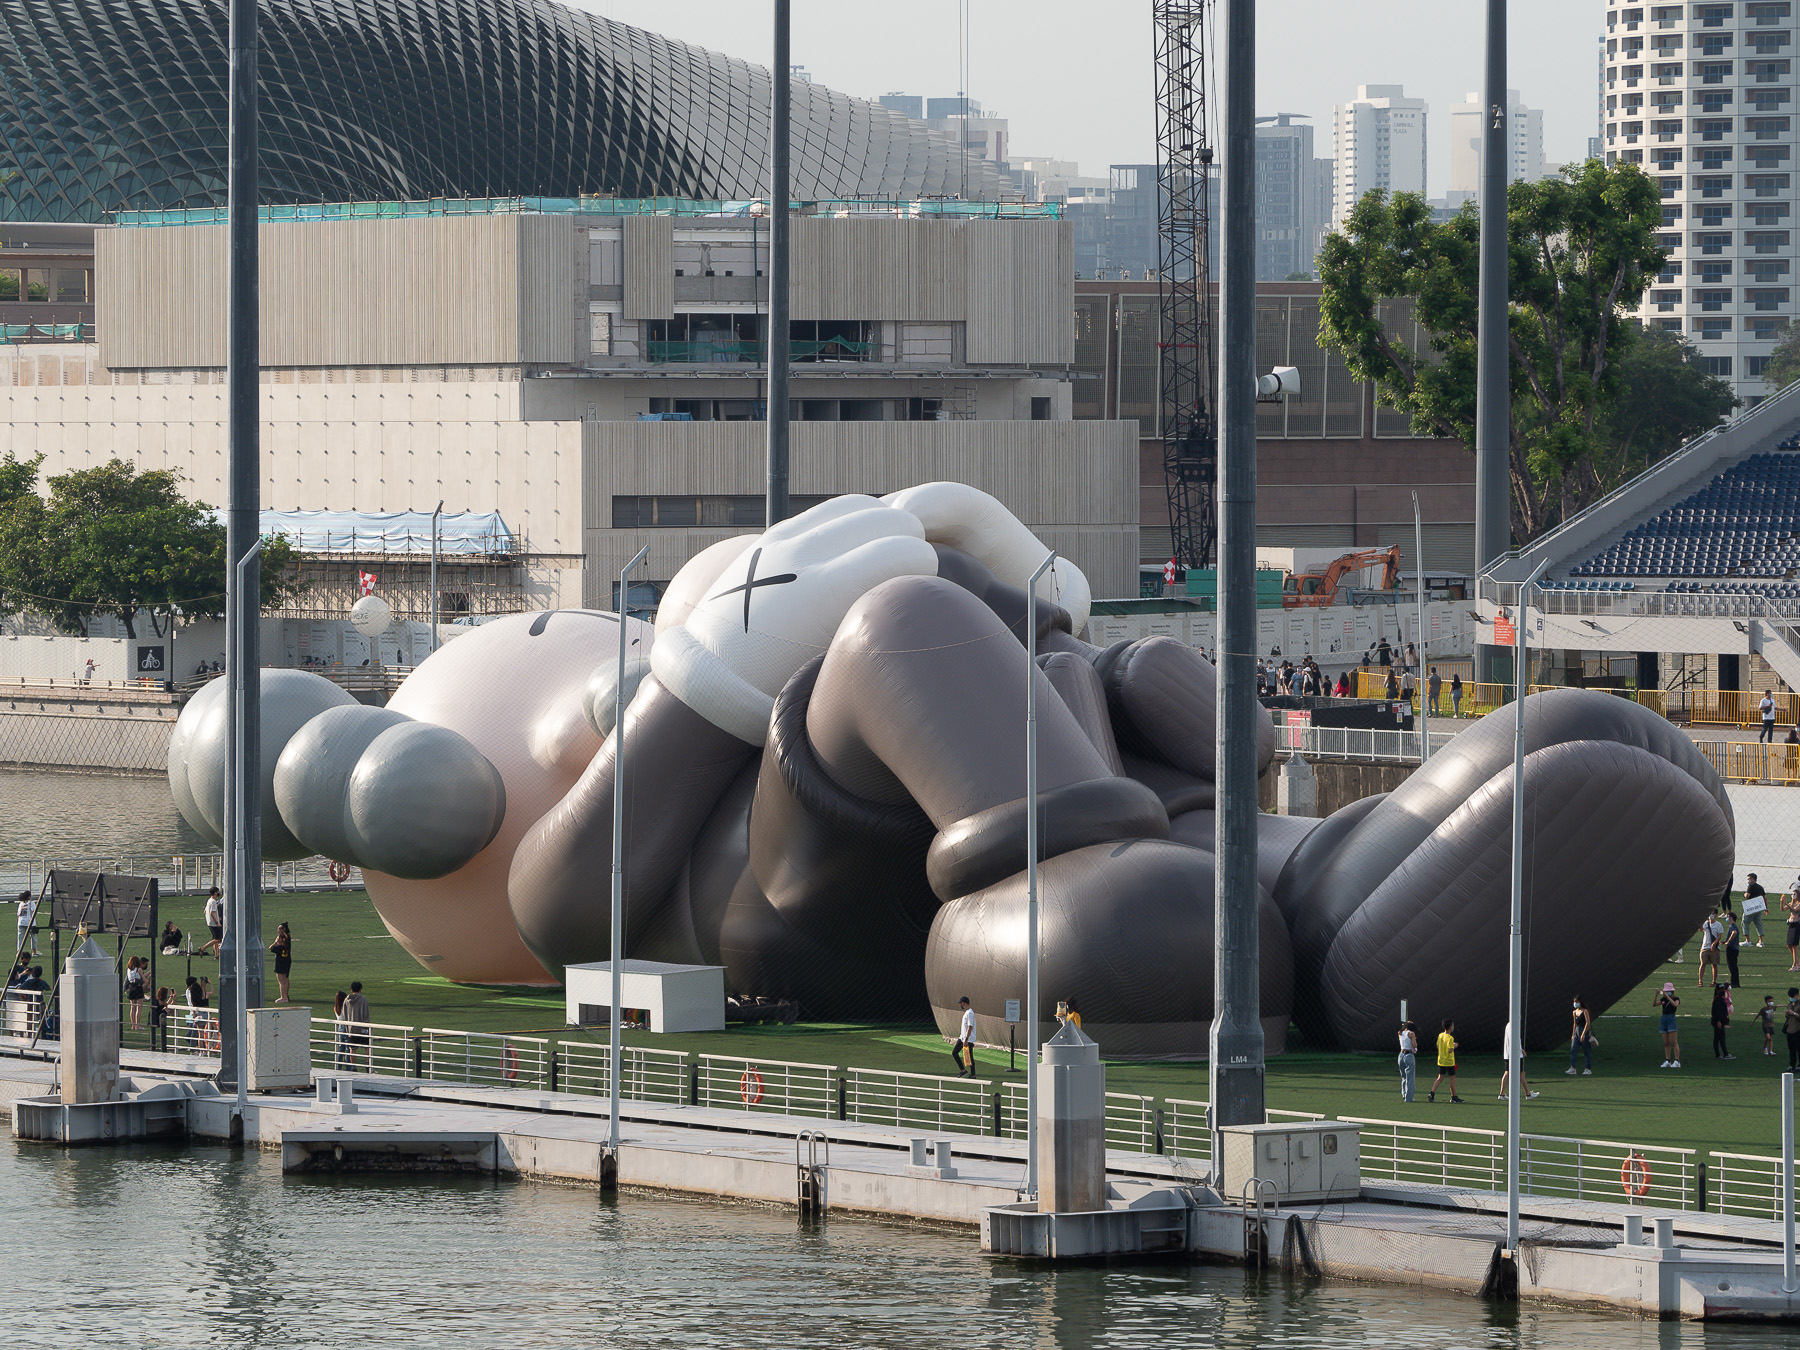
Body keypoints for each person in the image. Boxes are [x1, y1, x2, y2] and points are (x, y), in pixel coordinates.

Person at [1498, 1022, 1539, 1101]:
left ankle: (1502, 1094)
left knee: (1508, 1073)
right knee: (1521, 1073)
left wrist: (1521, 1049)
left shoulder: (1508, 1025)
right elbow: (1514, 1040)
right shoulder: (1513, 1026)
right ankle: (1528, 1094)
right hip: (1515, 1054)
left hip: (1508, 1054)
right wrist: (1520, 1050)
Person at [1428, 1018, 1463, 1103]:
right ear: (1450, 1027)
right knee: (1452, 1080)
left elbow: (1437, 1046)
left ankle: (1431, 1093)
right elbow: (1450, 1050)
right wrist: (1455, 1045)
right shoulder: (1450, 1038)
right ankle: (1454, 1097)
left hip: (1441, 1061)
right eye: (1453, 1025)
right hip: (1449, 1062)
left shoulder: (1440, 1035)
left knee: (1440, 1078)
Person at [343, 981, 372, 1070]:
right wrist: (367, 1027)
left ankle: (354, 1067)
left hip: (351, 1028)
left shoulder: (346, 1000)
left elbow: (345, 1014)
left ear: (351, 989)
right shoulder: (363, 999)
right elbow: (366, 1014)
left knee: (353, 1049)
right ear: (360, 989)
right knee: (367, 1047)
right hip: (362, 1028)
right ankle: (367, 1066)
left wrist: (348, 1027)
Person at [1655, 982, 1682, 1068]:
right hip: (1664, 1019)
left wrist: (1668, 997)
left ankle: (1677, 1061)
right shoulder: (1663, 999)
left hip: (1671, 1019)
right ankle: (1667, 1060)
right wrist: (1656, 996)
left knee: (1673, 1042)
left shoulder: (1676, 998)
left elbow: (1675, 1005)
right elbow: (1654, 1004)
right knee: (1666, 1042)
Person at [1567, 995, 1596, 1075]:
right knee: (1573, 1050)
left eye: (1577, 1002)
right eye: (1574, 1002)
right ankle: (1573, 1068)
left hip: (1583, 1031)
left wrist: (1583, 1034)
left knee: (1587, 1051)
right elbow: (1574, 1024)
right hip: (1576, 1031)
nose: (1575, 1003)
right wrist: (1573, 1034)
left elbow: (1587, 1023)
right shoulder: (1574, 1012)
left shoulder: (1585, 1011)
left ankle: (1588, 1069)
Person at [951, 995, 977, 1077]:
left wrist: (966, 1039)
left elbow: (970, 1026)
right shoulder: (967, 1012)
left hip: (967, 1039)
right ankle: (963, 1070)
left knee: (969, 1056)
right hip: (962, 1038)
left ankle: (973, 1074)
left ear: (963, 1003)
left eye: (961, 1003)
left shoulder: (970, 1013)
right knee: (954, 1052)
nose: (960, 1005)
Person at [1697, 908, 1723, 988]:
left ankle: (1714, 981)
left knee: (1714, 964)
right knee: (1703, 963)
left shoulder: (1718, 925)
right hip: (1705, 946)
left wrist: (1714, 943)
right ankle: (1700, 981)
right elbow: (1700, 929)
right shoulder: (1706, 923)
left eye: (1712, 913)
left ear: (1715, 915)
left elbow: (1719, 936)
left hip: (1714, 948)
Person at [269, 921, 292, 1003]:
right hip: (287, 959)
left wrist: (274, 944)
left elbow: (273, 948)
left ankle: (284, 997)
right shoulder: (287, 937)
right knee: (285, 979)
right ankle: (286, 995)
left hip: (281, 960)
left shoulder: (283, 938)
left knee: (281, 980)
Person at [1711, 982, 1735, 1060]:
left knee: (1717, 1038)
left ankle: (1718, 1054)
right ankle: (1725, 1054)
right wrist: (1719, 1021)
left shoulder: (1719, 998)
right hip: (1718, 1021)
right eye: (1721, 989)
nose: (1723, 991)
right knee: (1721, 1038)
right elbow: (1716, 1012)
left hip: (1720, 1021)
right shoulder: (1718, 1000)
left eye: (1723, 989)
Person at [1744, 873, 1769, 948]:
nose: (1748, 880)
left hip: (1750, 907)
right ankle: (1760, 941)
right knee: (1758, 924)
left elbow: (1747, 896)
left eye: (1749, 879)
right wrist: (1766, 908)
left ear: (1753, 879)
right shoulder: (1760, 887)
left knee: (1745, 922)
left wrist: (1745, 894)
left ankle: (1748, 940)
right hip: (1758, 908)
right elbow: (1764, 898)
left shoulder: (1750, 886)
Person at [1397, 1019, 1418, 1103]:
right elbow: (1414, 1045)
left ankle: (1404, 1093)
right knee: (1410, 1077)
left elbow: (1403, 1028)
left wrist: (1406, 1024)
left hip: (1401, 1055)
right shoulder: (1411, 1034)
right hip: (1408, 1055)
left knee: (1403, 1076)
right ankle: (1409, 1098)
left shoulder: (1400, 1033)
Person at [14, 889, 38, 959]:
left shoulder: (21, 904)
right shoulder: (31, 903)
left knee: (20, 938)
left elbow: (18, 914)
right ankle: (34, 952)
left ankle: (19, 952)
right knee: (33, 937)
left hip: (21, 922)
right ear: (29, 896)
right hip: (30, 922)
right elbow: (34, 911)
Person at [201, 887, 224, 957]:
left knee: (215, 938)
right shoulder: (213, 902)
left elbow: (205, 911)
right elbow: (212, 913)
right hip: (213, 923)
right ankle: (203, 948)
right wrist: (217, 922)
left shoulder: (209, 900)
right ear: (215, 893)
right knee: (217, 939)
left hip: (209, 922)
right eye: (218, 892)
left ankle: (216, 954)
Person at [124, 955, 146, 1031]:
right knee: (139, 1008)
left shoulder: (128, 969)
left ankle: (133, 1025)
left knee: (132, 1008)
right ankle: (137, 1025)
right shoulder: (139, 969)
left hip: (131, 988)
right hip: (138, 988)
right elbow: (143, 979)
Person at [1723, 905, 1742, 988]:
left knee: (1732, 966)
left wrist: (1728, 942)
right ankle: (1736, 982)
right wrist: (1725, 941)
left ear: (1731, 918)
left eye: (1728, 917)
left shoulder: (1732, 926)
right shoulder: (1734, 926)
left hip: (1731, 948)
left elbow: (1734, 933)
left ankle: (1734, 983)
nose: (1727, 918)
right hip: (1735, 948)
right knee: (1734, 966)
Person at [150, 986, 172, 1053]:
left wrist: (171, 998)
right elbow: (166, 1005)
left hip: (157, 1014)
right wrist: (173, 999)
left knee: (167, 1010)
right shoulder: (160, 1000)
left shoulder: (158, 999)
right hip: (157, 1015)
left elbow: (165, 1004)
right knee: (168, 1011)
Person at [332, 990, 349, 1070]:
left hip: (340, 1027)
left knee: (341, 1048)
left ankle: (338, 1067)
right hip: (346, 1027)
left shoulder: (336, 1008)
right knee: (348, 1049)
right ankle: (348, 1067)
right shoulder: (345, 1008)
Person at [1785, 988, 1800, 1071]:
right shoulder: (1789, 1005)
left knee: (1799, 1048)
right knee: (1791, 1049)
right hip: (1790, 1030)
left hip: (1798, 1029)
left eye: (1792, 996)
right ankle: (1792, 1065)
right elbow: (1788, 1019)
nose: (1791, 998)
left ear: (1797, 995)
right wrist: (1787, 1014)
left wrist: (1794, 1013)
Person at [1786, 884, 1800, 973]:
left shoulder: (1799, 904)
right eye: (1792, 894)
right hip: (1790, 925)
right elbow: (1782, 909)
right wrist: (1782, 902)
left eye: (1794, 894)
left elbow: (1795, 910)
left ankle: (1795, 965)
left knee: (1794, 945)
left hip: (1796, 925)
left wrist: (1786, 903)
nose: (1793, 895)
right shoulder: (1792, 903)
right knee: (1789, 944)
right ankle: (1797, 962)